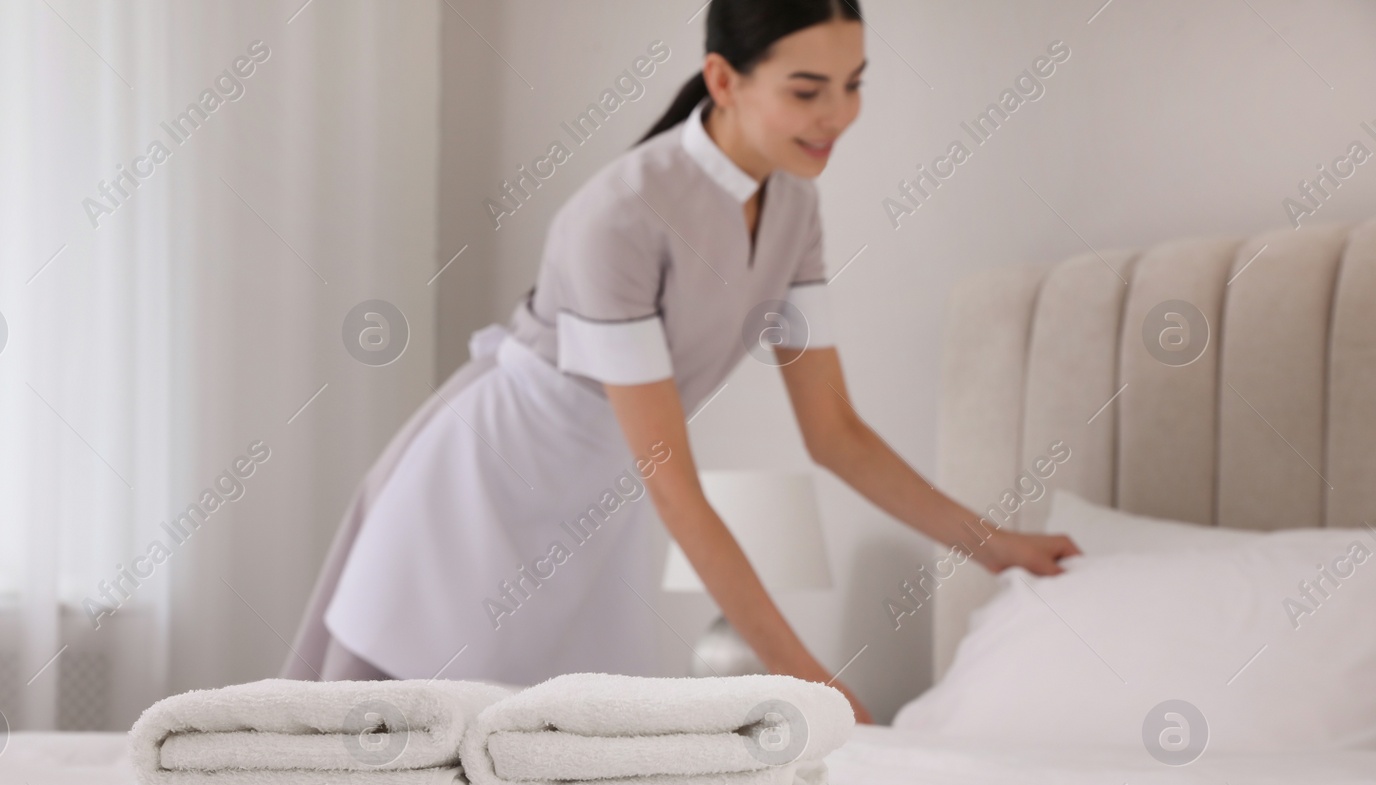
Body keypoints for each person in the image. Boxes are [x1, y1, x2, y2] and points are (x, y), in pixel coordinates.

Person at [284, 0, 1079, 722]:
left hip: (602, 498)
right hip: (485, 492)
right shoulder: (622, 215)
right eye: (807, 91)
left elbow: (833, 431)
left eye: (853, 83)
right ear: (723, 80)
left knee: (547, 774)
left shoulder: (794, 204)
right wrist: (809, 680)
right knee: (383, 755)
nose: (839, 115)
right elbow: (673, 482)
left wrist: (997, 544)